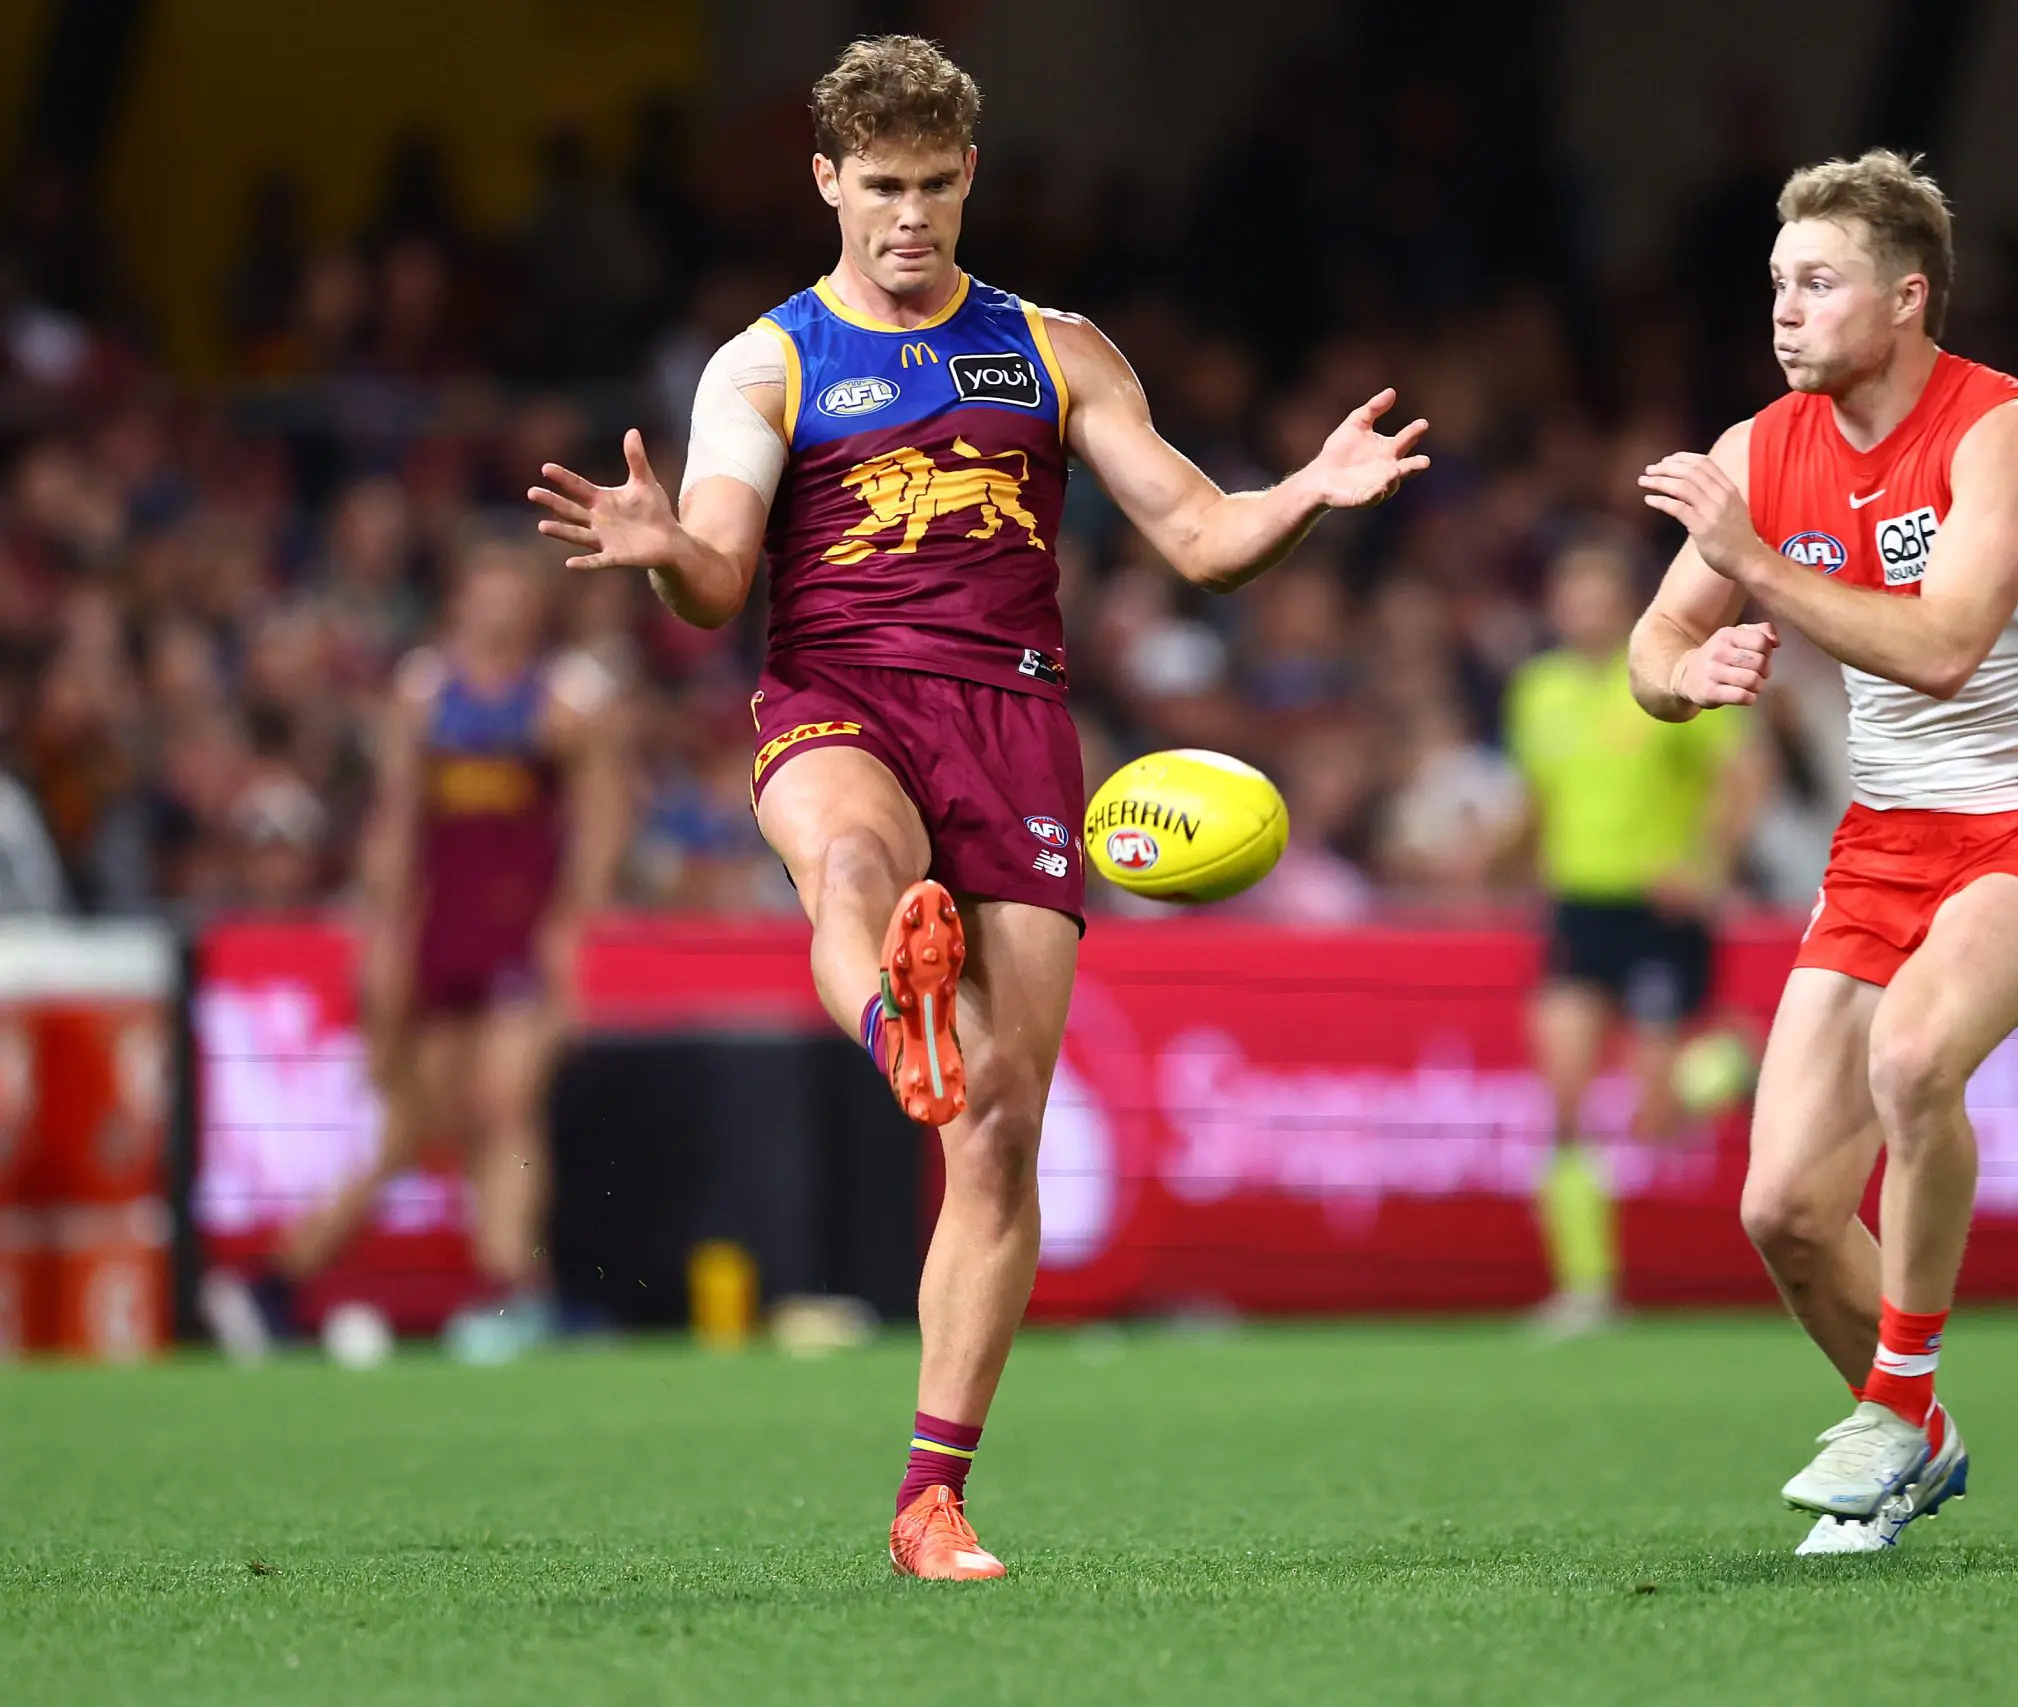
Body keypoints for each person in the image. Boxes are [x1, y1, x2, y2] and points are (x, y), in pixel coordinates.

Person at [526, 36, 1427, 1580]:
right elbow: (723, 579)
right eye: (880, 186)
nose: (909, 217)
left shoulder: (1054, 348)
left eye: (936, 185)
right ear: (827, 179)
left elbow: (1203, 535)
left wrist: (1304, 496)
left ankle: (931, 1495)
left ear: (970, 177)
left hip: (1012, 721)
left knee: (1003, 1129)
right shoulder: (769, 362)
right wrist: (665, 544)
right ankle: (898, 1028)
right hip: (838, 693)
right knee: (853, 863)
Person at [1628, 151, 2018, 1554]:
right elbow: (1649, 648)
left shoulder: (2004, 431)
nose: (1785, 311)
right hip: (1888, 837)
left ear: (1907, 298)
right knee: (1784, 1205)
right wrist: (1693, 671)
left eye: (1819, 283)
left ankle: (1896, 1401)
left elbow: (1943, 645)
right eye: (1778, 284)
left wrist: (1763, 565)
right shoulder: (1760, 446)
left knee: (1915, 1058)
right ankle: (1917, 1434)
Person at [200, 542, 626, 1365]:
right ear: (460, 600)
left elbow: (600, 822)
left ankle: (511, 1296)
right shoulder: (425, 695)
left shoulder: (567, 700)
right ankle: (278, 1281)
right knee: (417, 1125)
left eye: (513, 591)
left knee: (505, 1105)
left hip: (519, 927)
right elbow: (395, 823)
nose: (499, 607)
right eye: (486, 590)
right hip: (443, 931)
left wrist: (572, 929)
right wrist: (382, 938)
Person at [1505, 537, 1765, 1337]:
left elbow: (1740, 775)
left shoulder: (1663, 672)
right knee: (1566, 1098)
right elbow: (1540, 799)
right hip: (1577, 908)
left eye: (1595, 593)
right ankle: (1587, 1288)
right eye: (1569, 593)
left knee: (1655, 1113)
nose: (1580, 608)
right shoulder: (1538, 689)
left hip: (1660, 910)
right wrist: (1501, 860)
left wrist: (1704, 865)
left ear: (1625, 604)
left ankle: (1736, 1062)